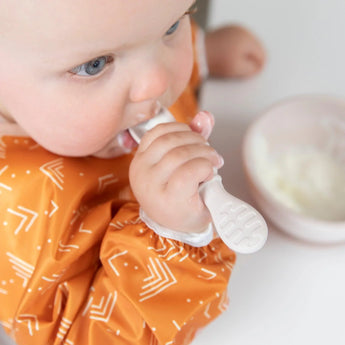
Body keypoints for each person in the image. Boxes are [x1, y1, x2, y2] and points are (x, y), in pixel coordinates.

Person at [0, 1, 265, 344]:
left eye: (172, 27)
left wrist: (202, 52)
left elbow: (135, 21)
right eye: (93, 65)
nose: (158, 83)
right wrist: (169, 235)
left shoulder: (122, 48)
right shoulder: (19, 215)